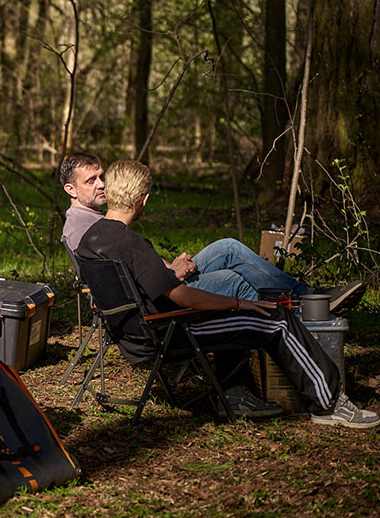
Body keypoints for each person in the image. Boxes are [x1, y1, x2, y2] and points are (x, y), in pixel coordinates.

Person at [76, 159, 378, 428]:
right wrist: (237, 303)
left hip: (135, 335)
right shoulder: (133, 245)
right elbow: (186, 298)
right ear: (143, 199)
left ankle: (236, 394)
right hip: (169, 332)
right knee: (277, 320)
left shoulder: (91, 239)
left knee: (245, 307)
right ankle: (330, 404)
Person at [59, 152, 365, 314]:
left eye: (101, 177)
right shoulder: (81, 230)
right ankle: (300, 314)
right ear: (71, 190)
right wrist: (170, 272)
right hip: (157, 298)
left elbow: (132, 262)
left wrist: (167, 266)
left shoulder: (100, 223)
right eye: (91, 181)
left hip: (157, 283)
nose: (101, 185)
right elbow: (119, 278)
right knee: (234, 279)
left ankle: (305, 295)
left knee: (228, 248)